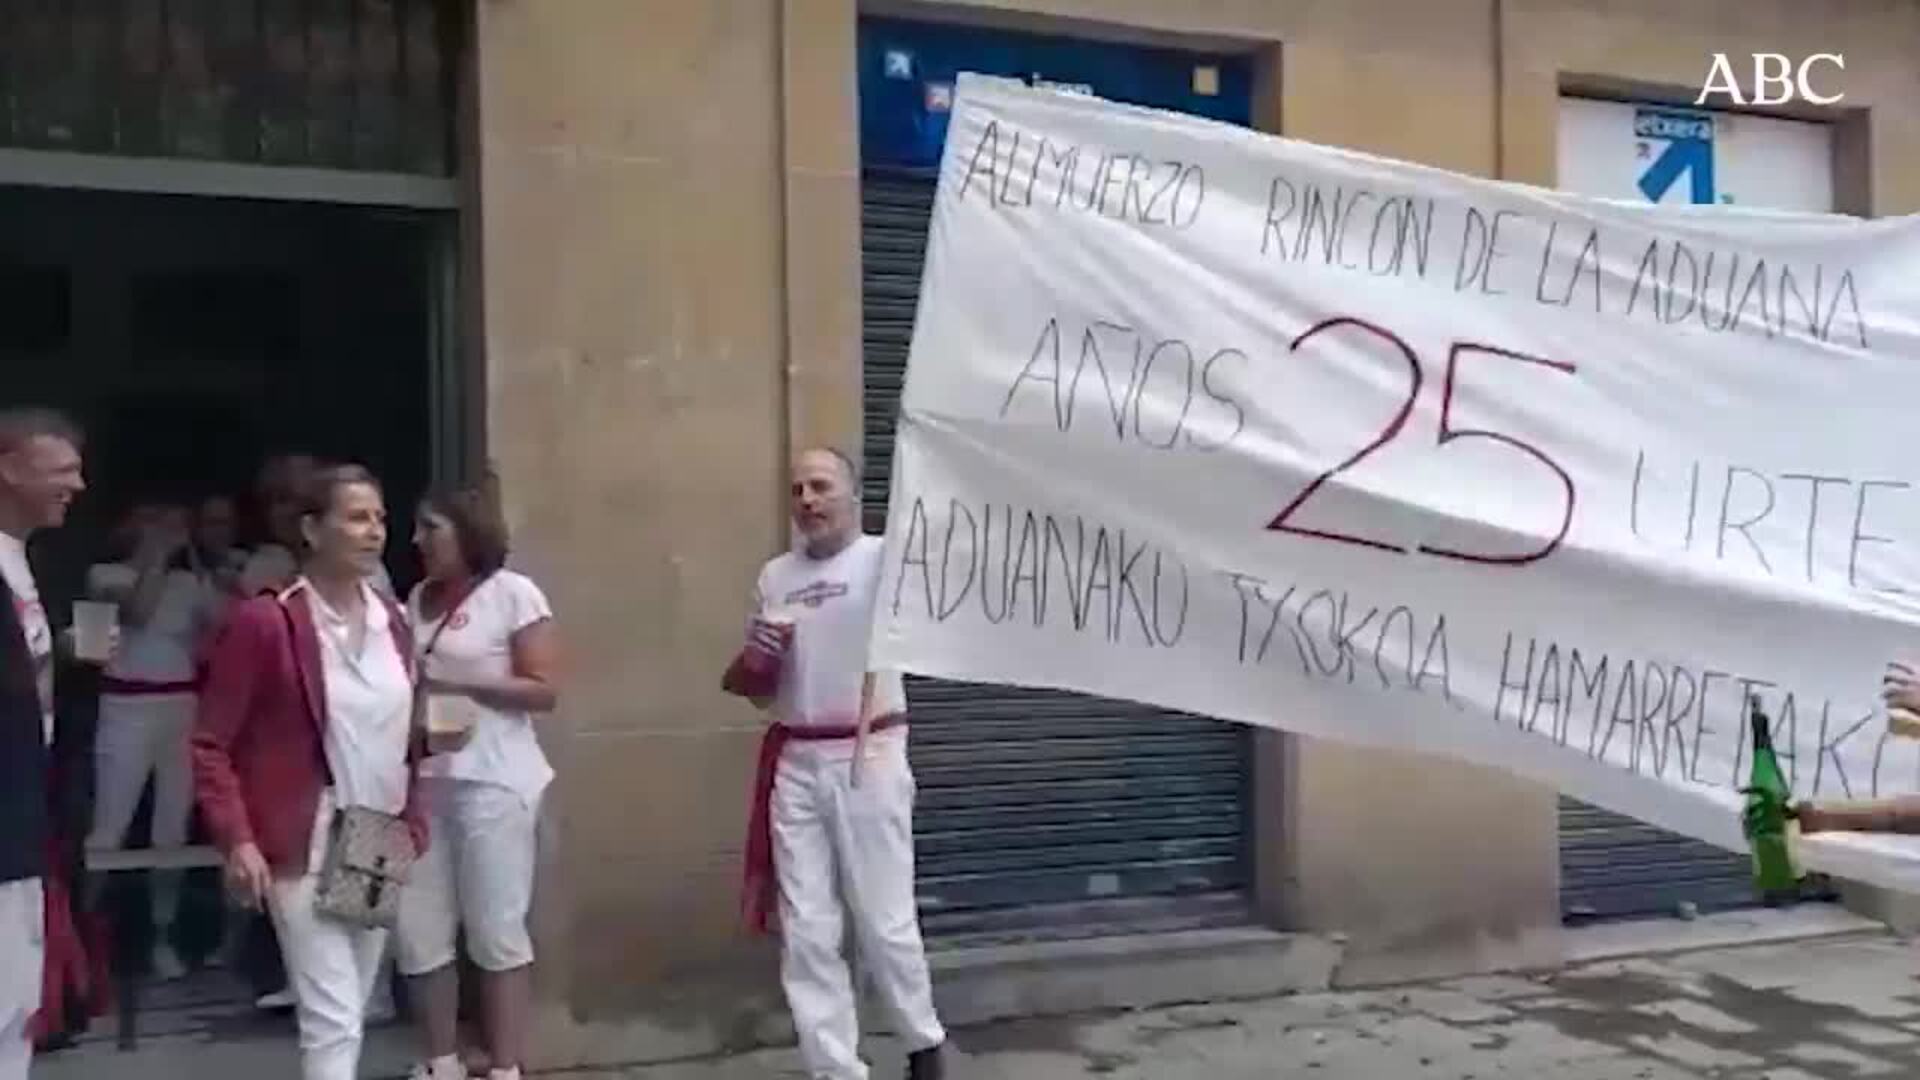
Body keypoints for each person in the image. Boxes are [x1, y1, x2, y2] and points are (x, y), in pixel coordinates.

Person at [192, 464, 426, 1080]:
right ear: (312, 530)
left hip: (379, 831)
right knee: (333, 1013)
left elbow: (407, 733)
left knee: (356, 1006)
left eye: (379, 517)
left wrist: (416, 812)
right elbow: (211, 741)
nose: (374, 530)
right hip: (307, 830)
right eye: (355, 517)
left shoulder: (391, 621)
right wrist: (237, 837)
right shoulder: (269, 621)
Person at [721, 448, 947, 1080]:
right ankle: (834, 1068)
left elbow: (939, 598)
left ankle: (922, 1044)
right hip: (795, 755)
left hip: (867, 749)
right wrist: (757, 662)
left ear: (853, 494)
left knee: (883, 918)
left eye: (821, 487)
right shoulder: (775, 576)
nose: (808, 501)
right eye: (797, 490)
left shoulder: (886, 560)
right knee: (808, 930)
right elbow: (762, 690)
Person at [395, 483, 558, 1080]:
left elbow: (544, 689)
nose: (417, 541)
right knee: (419, 930)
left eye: (430, 528)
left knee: (495, 929)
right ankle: (441, 1062)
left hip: (493, 781)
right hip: (423, 784)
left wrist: (465, 687)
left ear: (467, 532)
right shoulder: (414, 600)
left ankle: (506, 1067)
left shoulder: (513, 594)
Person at [83, 500, 223, 980]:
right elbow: (139, 613)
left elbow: (222, 626)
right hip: (126, 707)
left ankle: (164, 935)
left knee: (172, 829)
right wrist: (156, 553)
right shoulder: (105, 575)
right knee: (111, 826)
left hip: (181, 706)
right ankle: (83, 940)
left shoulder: (188, 582)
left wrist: (199, 562)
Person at [0, 408, 90, 1080]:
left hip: (28, 827)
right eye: (61, 470)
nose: (77, 484)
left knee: (18, 1005)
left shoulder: (23, 567)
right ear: (9, 468)